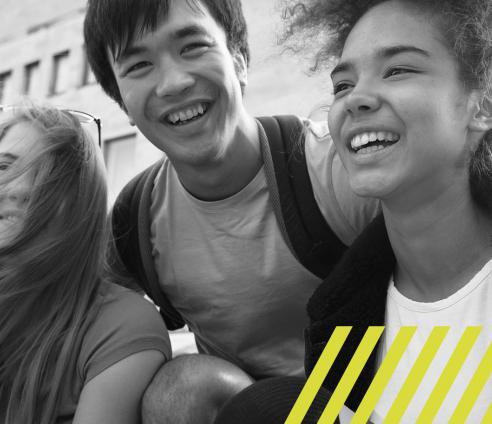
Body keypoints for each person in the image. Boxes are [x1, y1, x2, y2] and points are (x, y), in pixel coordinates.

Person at [83, 0, 380, 422]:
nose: (173, 83)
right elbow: (72, 313)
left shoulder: (337, 170)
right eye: (138, 65)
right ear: (123, 105)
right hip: (245, 410)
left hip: (378, 400)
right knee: (180, 390)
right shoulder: (136, 218)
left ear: (239, 60)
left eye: (192, 47)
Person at [215, 0, 492, 422]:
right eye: (342, 85)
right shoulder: (338, 321)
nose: (355, 99)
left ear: (483, 105)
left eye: (398, 70)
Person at [0, 104, 171, 424]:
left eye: (50, 174)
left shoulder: (120, 325)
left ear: (82, 203)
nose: (20, 188)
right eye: (3, 167)